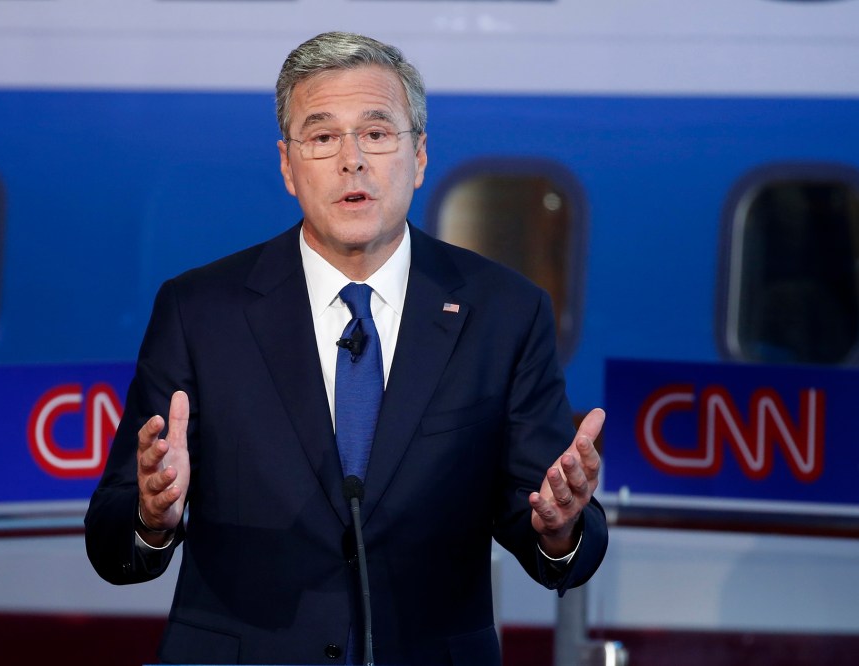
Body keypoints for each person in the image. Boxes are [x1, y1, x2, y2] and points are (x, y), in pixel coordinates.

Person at [85, 31, 608, 665]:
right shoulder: (200, 311)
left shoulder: (502, 312)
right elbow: (112, 537)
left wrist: (559, 529)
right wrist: (150, 516)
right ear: (287, 166)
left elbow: (547, 532)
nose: (351, 160)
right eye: (323, 136)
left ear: (418, 157)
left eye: (377, 133)